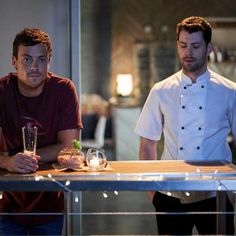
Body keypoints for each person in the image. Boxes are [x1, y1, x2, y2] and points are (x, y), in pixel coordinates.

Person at [135, 16, 236, 235]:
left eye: (195, 46)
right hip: (170, 194)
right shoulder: (161, 90)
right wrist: (153, 192)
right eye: (183, 45)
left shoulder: (230, 91)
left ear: (209, 48)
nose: (188, 52)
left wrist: (233, 192)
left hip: (216, 194)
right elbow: (147, 144)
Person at [0, 28, 82, 235]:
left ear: (49, 62)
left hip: (50, 202)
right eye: (26, 59)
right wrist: (8, 162)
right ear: (14, 61)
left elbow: (68, 146)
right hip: (6, 203)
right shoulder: (2, 91)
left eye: (41, 60)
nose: (35, 67)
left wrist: (25, 159)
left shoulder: (63, 89)